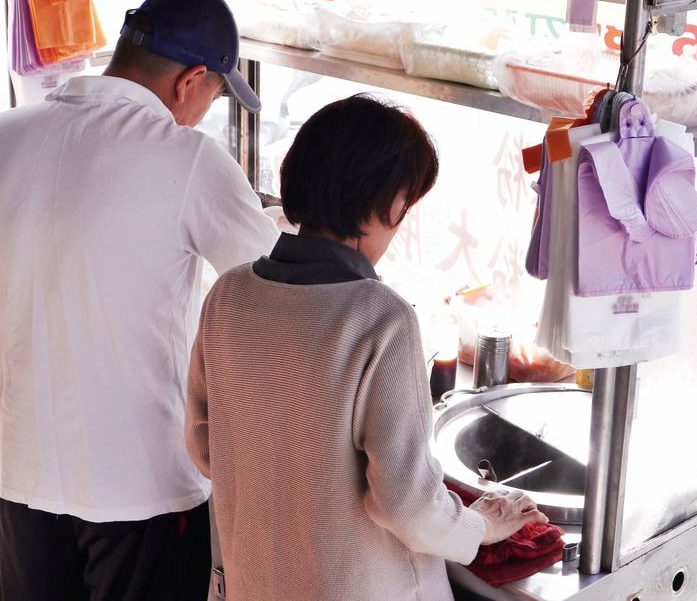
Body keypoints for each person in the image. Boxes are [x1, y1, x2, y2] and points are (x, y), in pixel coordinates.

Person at [0, 0, 279, 600]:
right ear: (191, 80)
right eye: (213, 94)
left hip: (25, 475)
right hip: (144, 486)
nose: (205, 110)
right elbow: (286, 295)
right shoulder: (189, 160)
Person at [185, 94, 548, 600]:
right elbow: (408, 504)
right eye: (406, 203)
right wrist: (479, 526)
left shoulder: (229, 294)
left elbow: (206, 448)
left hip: (257, 582)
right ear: (387, 203)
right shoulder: (381, 319)